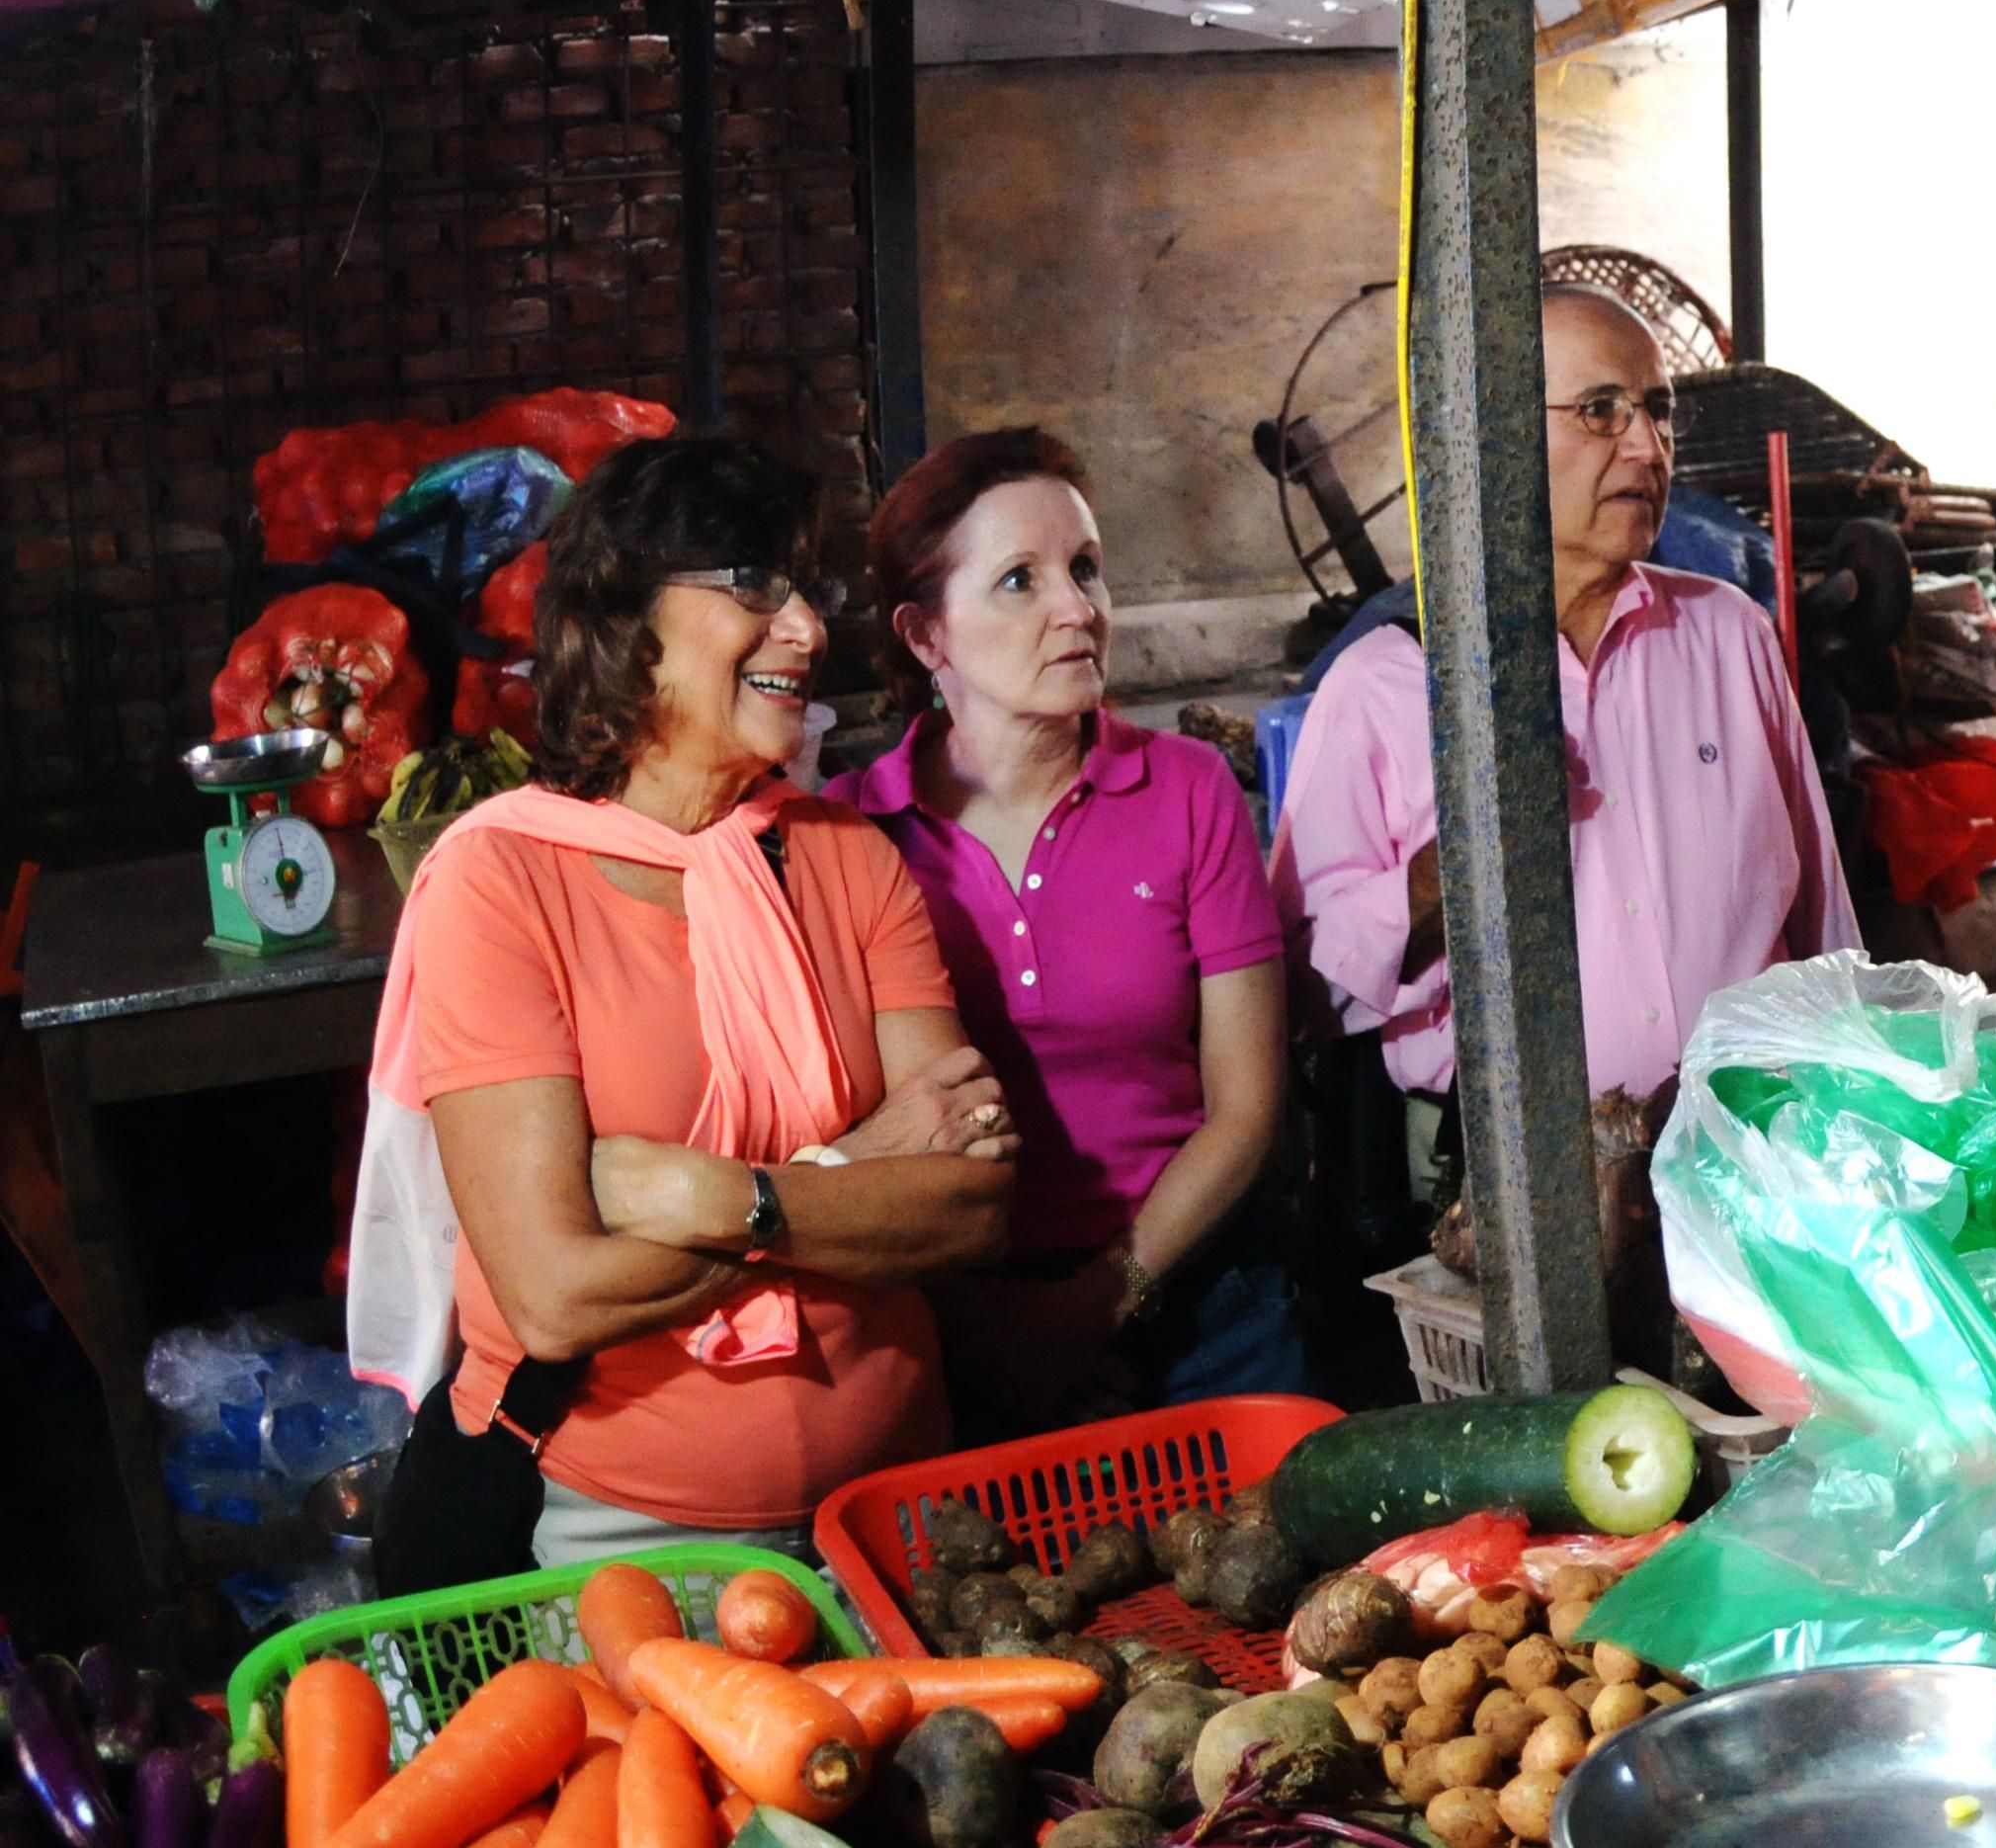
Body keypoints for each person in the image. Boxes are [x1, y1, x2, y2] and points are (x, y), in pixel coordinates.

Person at [374, 437, 1013, 1577]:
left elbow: (969, 1206)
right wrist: (856, 1169)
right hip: (621, 1538)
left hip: (897, 1512)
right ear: (624, 617)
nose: (808, 631)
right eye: (753, 587)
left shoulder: (844, 857)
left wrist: (702, 1193)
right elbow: (558, 1296)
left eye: (808, 592)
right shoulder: (499, 883)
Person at [1274, 283, 1855, 1142]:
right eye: (1599, 411)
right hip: (1509, 1184)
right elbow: (1302, 987)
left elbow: (1825, 933)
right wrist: (1447, 876)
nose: (1648, 448)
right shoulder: (1383, 686)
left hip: (1756, 1153)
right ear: (1495, 438)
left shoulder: (1730, 634)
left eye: (1657, 413)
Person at [834, 429, 1298, 1438]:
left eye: (1085, 568)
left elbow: (1246, 1107)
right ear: (926, 637)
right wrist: (998, 1332)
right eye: (1018, 580)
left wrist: (1094, 1306)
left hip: (1198, 1301)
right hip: (958, 1321)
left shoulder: (1186, 789)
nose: (1077, 608)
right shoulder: (850, 836)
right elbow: (846, 1128)